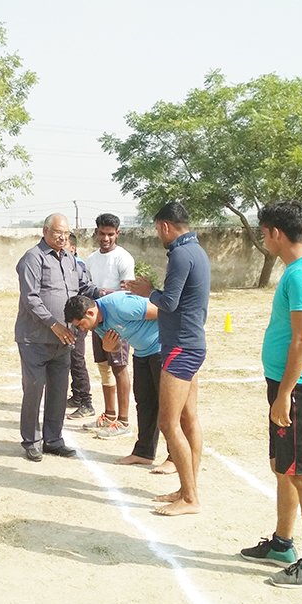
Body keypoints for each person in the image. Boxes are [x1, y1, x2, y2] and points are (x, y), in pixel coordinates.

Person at [237, 202, 302, 588]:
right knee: (283, 467)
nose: (263, 238)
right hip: (283, 385)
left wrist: (285, 395)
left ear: (276, 232)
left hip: (297, 390)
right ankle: (281, 543)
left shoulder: (301, 275)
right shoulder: (300, 270)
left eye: (264, 232)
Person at [123, 200, 209, 516]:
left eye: (157, 230)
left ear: (164, 226)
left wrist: (148, 291)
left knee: (169, 422)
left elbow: (169, 303)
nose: (158, 235)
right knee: (188, 418)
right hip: (190, 343)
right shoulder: (196, 251)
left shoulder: (181, 255)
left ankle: (190, 498)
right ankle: (187, 489)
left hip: (180, 347)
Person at [15, 213, 100, 462]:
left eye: (66, 233)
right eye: (58, 232)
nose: (63, 237)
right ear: (45, 231)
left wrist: (106, 292)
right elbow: (30, 298)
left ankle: (53, 440)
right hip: (35, 339)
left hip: (65, 339)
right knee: (34, 389)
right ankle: (32, 441)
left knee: (59, 392)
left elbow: (83, 288)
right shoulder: (33, 258)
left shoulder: (71, 259)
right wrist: (54, 324)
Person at [65, 293, 173, 470]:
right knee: (145, 403)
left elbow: (165, 312)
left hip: (163, 350)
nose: (81, 329)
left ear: (90, 313)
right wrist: (109, 347)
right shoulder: (97, 324)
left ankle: (175, 457)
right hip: (142, 353)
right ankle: (143, 453)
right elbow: (115, 345)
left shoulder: (120, 305)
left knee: (168, 405)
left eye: (81, 324)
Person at [85, 213, 136, 432]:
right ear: (96, 232)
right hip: (96, 322)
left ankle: (123, 421)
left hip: (117, 323)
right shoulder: (90, 259)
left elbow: (128, 292)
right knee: (104, 367)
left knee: (119, 367)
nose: (106, 238)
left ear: (118, 234)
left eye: (110, 234)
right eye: (102, 233)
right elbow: (87, 289)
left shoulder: (124, 258)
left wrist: (104, 293)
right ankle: (109, 415)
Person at [65, 233, 95, 421]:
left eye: (65, 244)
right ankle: (76, 395)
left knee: (76, 358)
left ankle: (86, 402)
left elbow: (86, 290)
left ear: (73, 248)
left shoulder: (78, 265)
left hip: (78, 319)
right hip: (70, 318)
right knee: (70, 357)